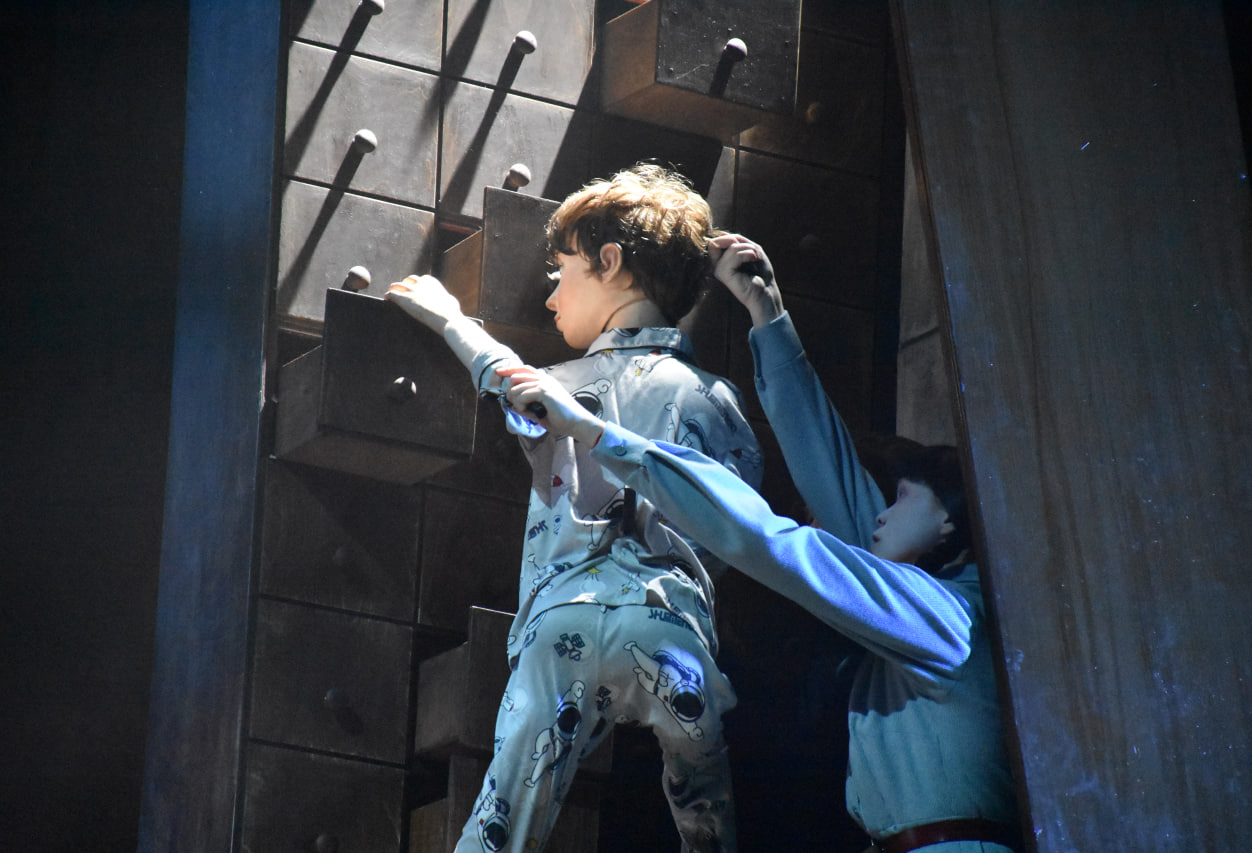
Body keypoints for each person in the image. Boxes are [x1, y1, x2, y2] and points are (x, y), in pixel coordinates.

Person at [495, 233, 1022, 853]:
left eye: (900, 497)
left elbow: (771, 541)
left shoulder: (949, 619)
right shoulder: (924, 615)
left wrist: (597, 434)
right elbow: (829, 468)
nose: (876, 513)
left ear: (951, 523)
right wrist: (767, 315)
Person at [386, 166, 763, 853]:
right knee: (706, 808)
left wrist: (449, 319)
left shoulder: (558, 385)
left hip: (561, 623)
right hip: (668, 626)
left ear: (610, 263)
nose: (550, 294)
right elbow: (742, 523)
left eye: (561, 271)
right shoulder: (715, 398)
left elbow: (503, 373)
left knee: (504, 814)